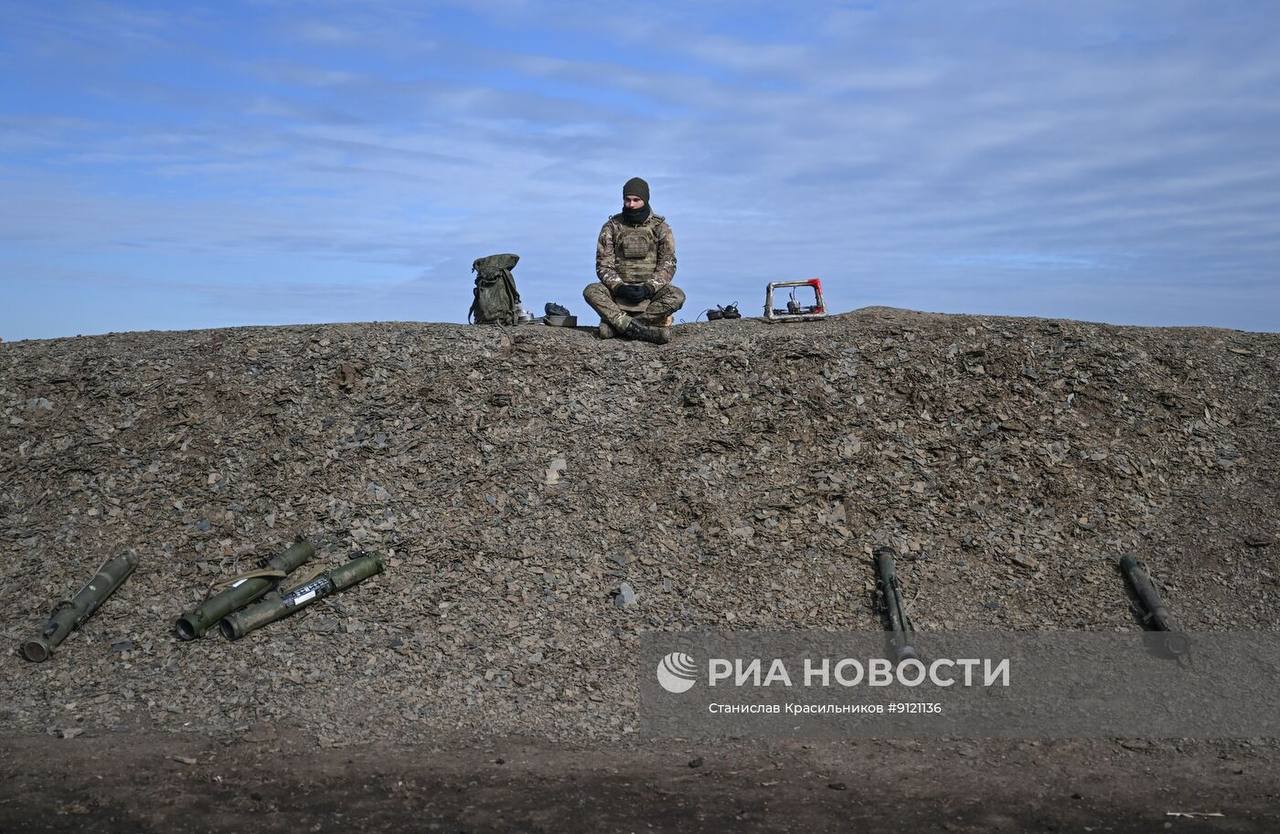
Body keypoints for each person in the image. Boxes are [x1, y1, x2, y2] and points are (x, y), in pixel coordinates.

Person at [583, 177, 685, 344]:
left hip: (649, 297)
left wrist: (649, 288)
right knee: (591, 291)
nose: (631, 204)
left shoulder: (660, 227)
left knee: (677, 295)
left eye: (636, 200)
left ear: (645, 200)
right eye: (627, 200)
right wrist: (619, 287)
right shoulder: (612, 227)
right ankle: (642, 330)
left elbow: (668, 265)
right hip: (619, 296)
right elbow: (603, 265)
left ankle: (620, 326)